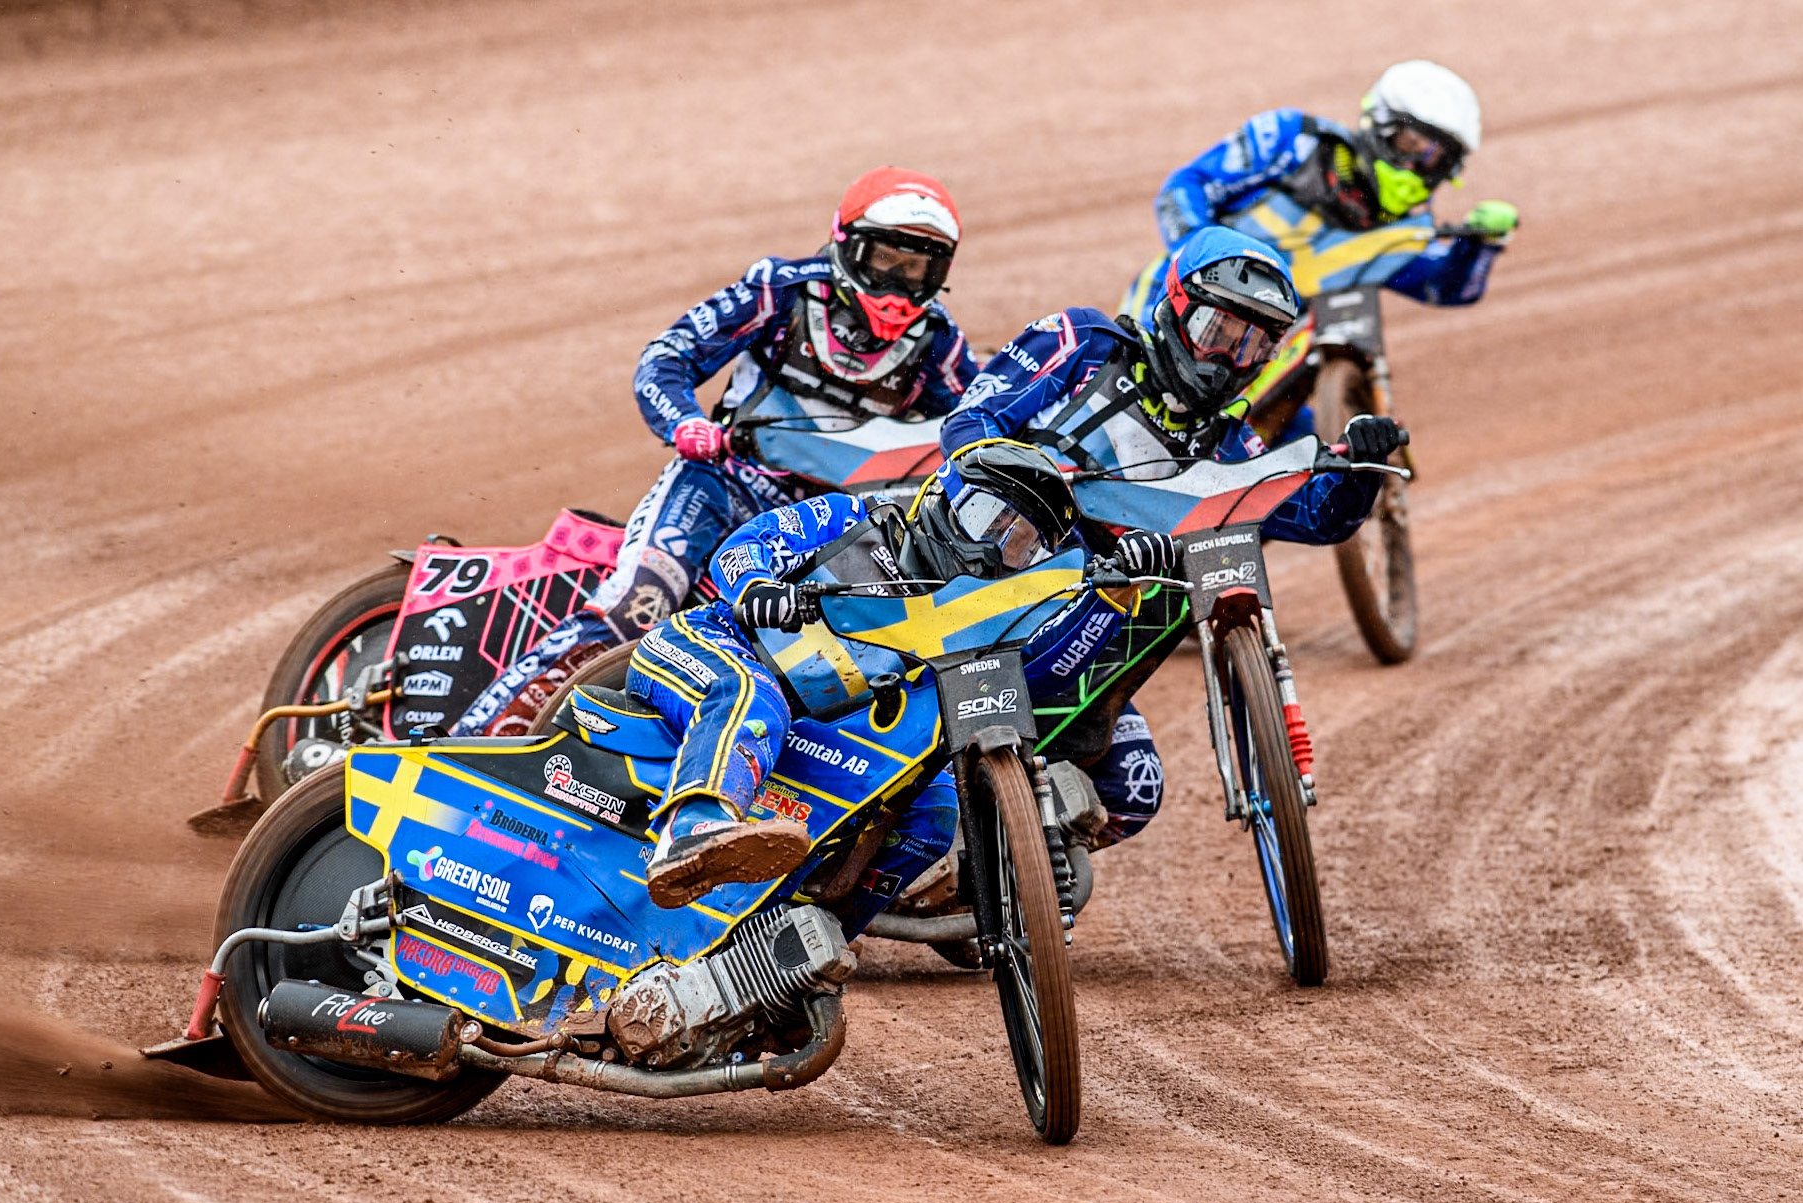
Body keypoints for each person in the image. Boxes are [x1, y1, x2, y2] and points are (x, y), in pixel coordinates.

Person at [453, 167, 978, 736]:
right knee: (639, 602)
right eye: (887, 261)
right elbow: (667, 356)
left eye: (918, 268)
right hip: (722, 481)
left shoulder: (941, 343)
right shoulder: (781, 289)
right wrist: (686, 423)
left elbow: (969, 434)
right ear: (849, 244)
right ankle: (475, 735)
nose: (899, 286)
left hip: (819, 525)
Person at [941, 229, 1406, 850]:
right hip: (979, 596)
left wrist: (1363, 472)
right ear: (1177, 307)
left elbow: (1320, 519)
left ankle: (1014, 883)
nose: (1230, 360)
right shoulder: (1083, 343)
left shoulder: (1232, 444)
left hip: (1090, 645)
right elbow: (972, 421)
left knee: (1135, 791)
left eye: (1254, 345)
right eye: (1219, 332)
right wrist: (1029, 480)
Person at [628, 440, 1178, 919]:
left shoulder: (977, 622)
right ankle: (693, 829)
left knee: (935, 813)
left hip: (816, 732)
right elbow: (747, 545)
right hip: (708, 648)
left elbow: (1036, 675)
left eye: (1019, 543)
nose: (993, 546)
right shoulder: (855, 517)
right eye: (988, 517)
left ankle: (799, 953)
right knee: (755, 699)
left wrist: (1109, 598)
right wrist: (755, 587)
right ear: (942, 493)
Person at [1123, 60, 1518, 343]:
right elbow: (1186, 186)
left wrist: (1480, 245)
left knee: (1332, 455)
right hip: (1173, 308)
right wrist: (1197, 255)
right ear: (1380, 124)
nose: (1417, 163)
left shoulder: (1406, 234)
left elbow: (1445, 288)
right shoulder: (1292, 141)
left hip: (1264, 362)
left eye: (1435, 157)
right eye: (1411, 142)